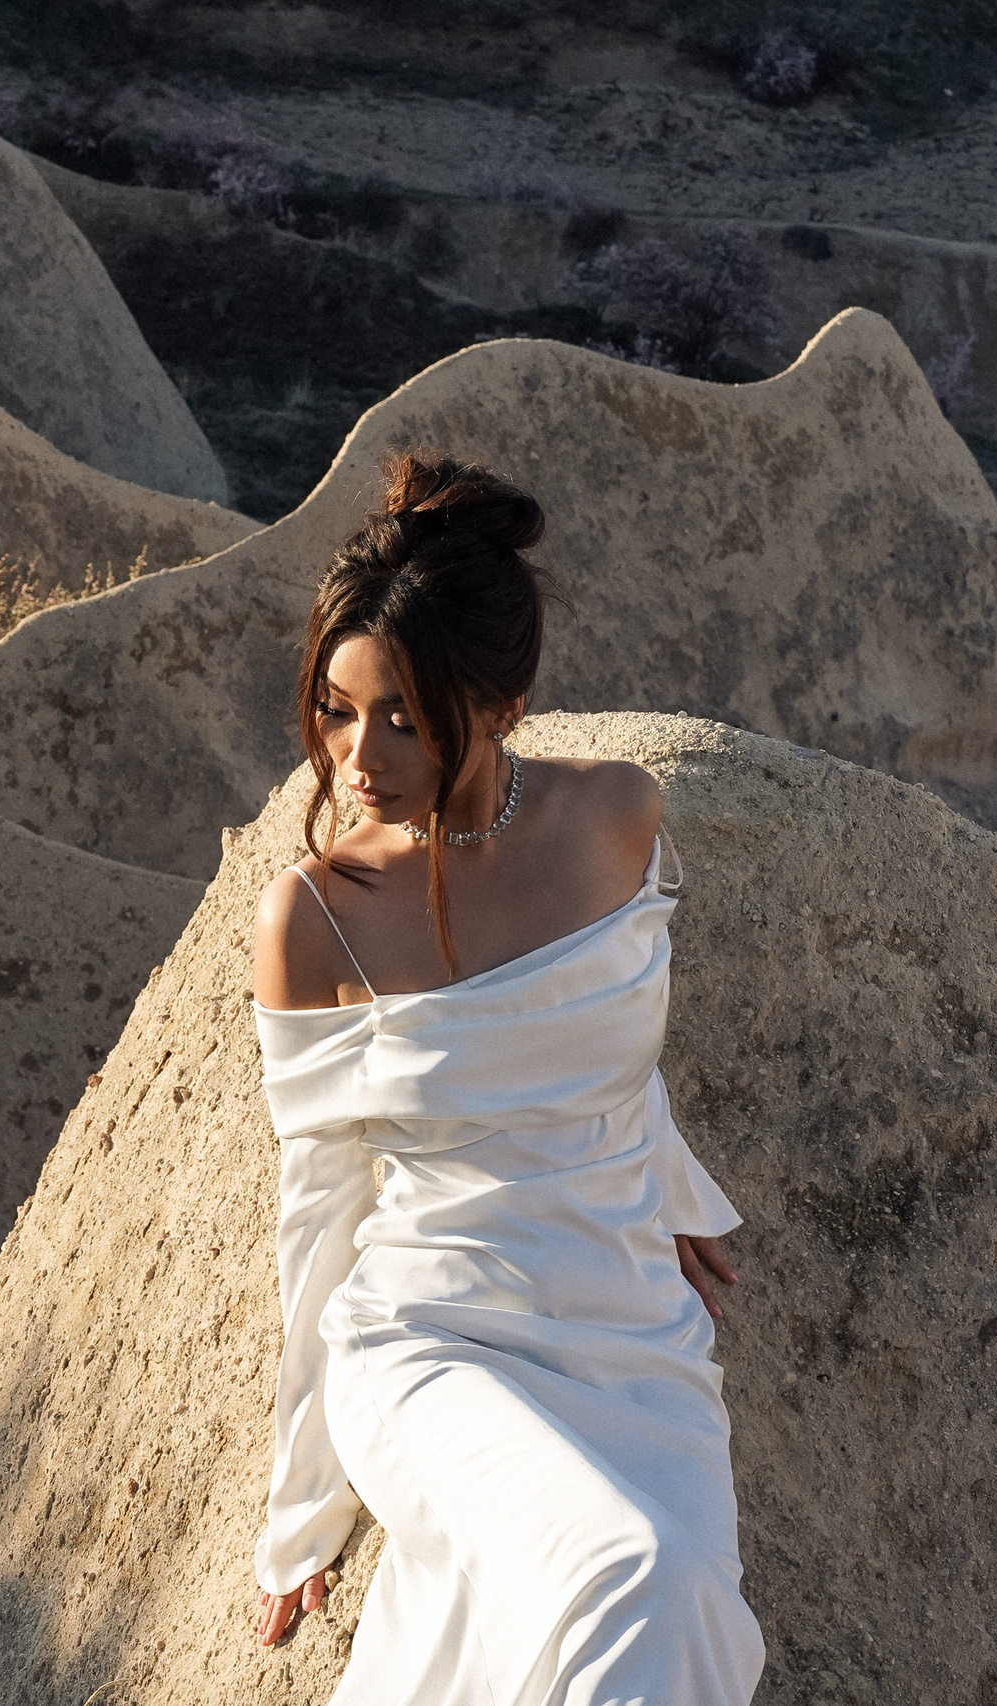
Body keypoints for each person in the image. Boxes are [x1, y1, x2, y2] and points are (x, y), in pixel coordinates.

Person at [246, 452, 765, 1704]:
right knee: (627, 1568)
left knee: (686, 1588)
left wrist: (669, 1179)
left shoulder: (615, 820)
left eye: (407, 715)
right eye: (336, 706)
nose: (360, 755)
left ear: (507, 703)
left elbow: (613, 1041)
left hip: (629, 1325)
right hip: (431, 1337)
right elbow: (318, 1204)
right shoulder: (315, 916)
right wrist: (302, 1503)